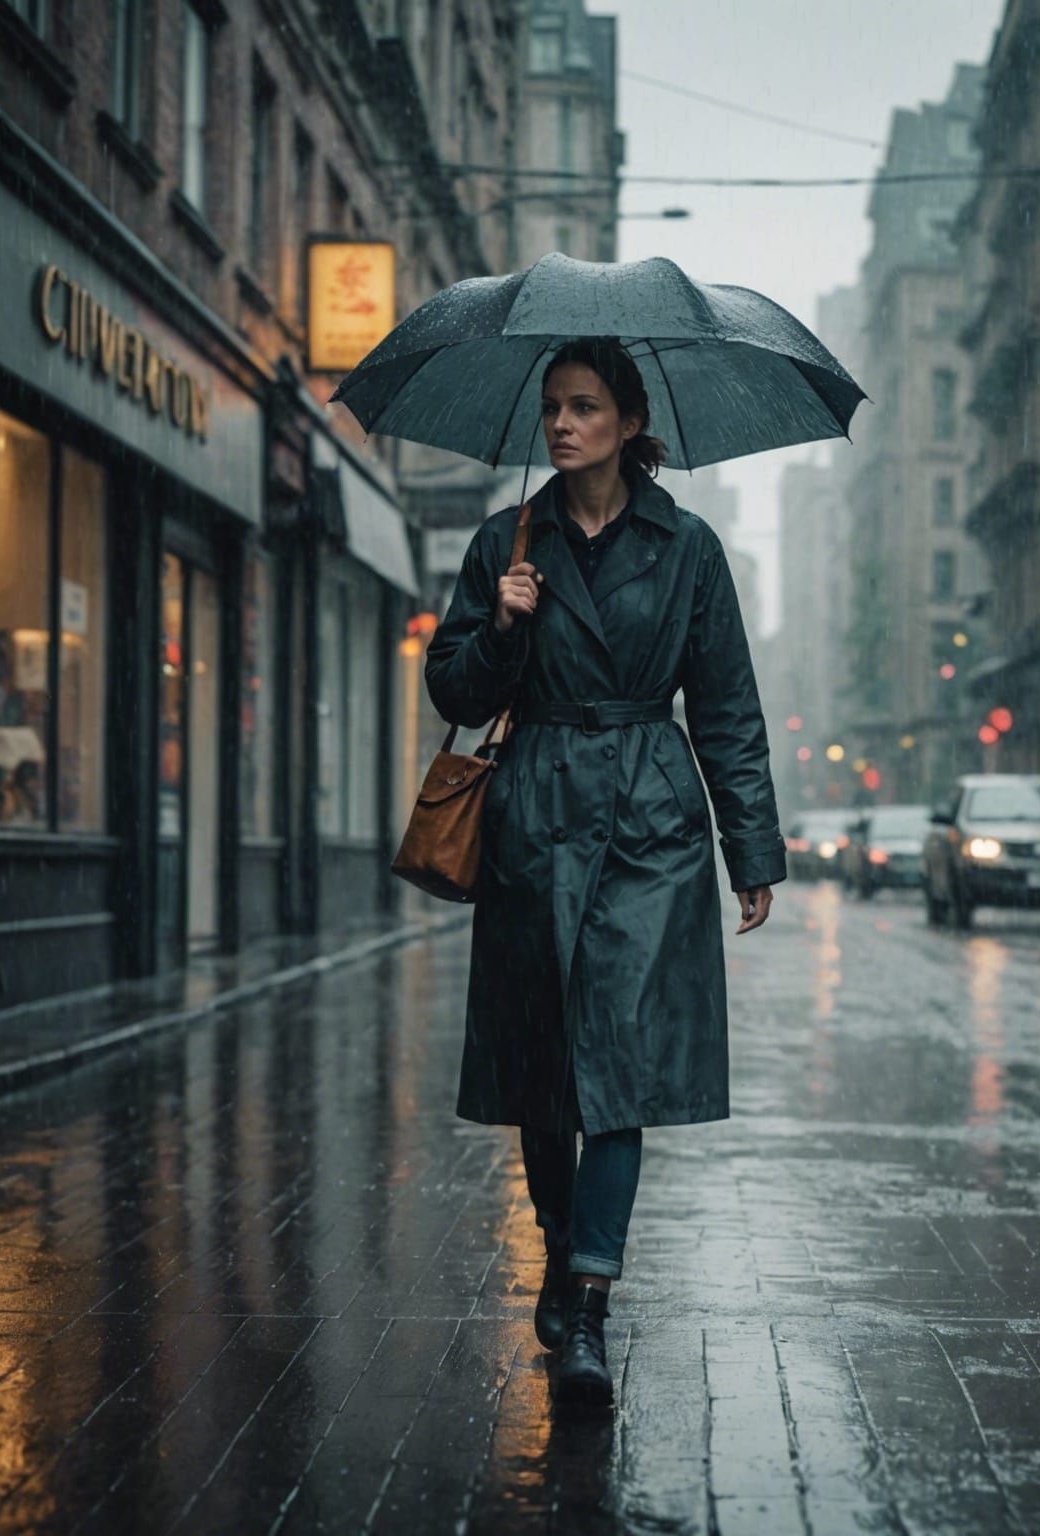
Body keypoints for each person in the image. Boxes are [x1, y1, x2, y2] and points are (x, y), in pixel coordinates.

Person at [424, 338, 783, 1408]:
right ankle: (558, 1232)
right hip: (535, 813)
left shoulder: (688, 549)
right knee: (545, 1067)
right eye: (553, 409)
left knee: (620, 1068)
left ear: (629, 425)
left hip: (648, 820)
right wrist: (503, 625)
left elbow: (725, 706)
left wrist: (749, 849)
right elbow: (452, 685)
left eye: (585, 408)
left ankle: (587, 1302)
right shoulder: (506, 542)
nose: (563, 425)